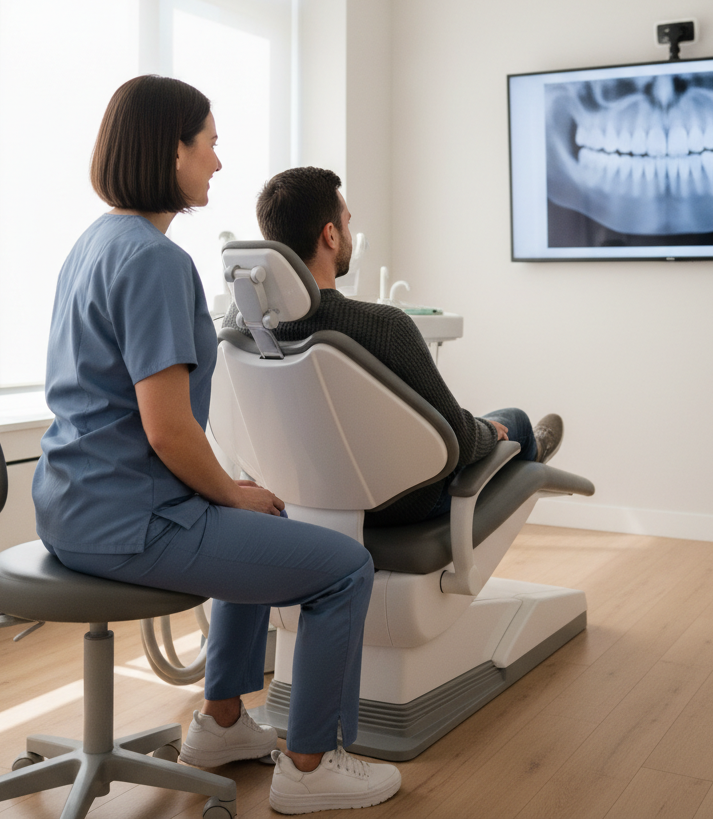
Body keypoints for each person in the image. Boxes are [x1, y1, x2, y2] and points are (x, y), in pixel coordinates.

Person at [31, 77, 401, 815]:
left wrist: (233, 499)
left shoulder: (96, 241)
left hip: (71, 502)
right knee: (345, 568)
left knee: (256, 524)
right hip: (128, 521)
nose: (218, 164)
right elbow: (168, 429)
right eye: (210, 144)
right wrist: (228, 490)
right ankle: (308, 764)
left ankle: (223, 725)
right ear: (171, 151)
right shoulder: (156, 261)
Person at [224, 166, 564, 526]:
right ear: (330, 235)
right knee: (515, 422)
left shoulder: (241, 324)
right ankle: (532, 453)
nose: (349, 233)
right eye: (347, 223)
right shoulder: (386, 326)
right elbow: (459, 441)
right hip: (403, 502)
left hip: (297, 491)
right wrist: (484, 431)